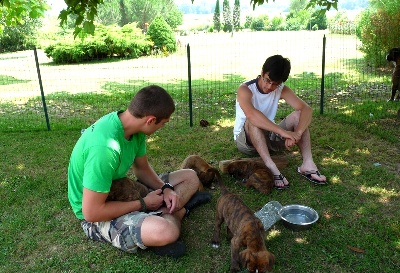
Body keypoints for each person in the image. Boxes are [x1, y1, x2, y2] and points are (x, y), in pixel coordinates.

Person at [68, 85, 210, 258]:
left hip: (119, 189)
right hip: (95, 214)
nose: (162, 127)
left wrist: (165, 188)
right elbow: (91, 212)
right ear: (150, 120)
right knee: (166, 232)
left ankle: (160, 215)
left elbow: (142, 170)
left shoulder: (134, 128)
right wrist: (143, 204)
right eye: (163, 123)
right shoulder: (104, 149)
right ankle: (177, 212)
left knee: (190, 177)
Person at [233, 54, 327, 189]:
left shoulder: (281, 89)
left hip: (268, 137)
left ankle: (308, 163)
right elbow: (252, 115)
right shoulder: (245, 89)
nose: (269, 86)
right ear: (262, 73)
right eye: (267, 80)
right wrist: (284, 132)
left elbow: (306, 109)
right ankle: (271, 166)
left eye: (275, 84)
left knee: (298, 115)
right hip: (246, 141)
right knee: (252, 120)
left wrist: (297, 133)